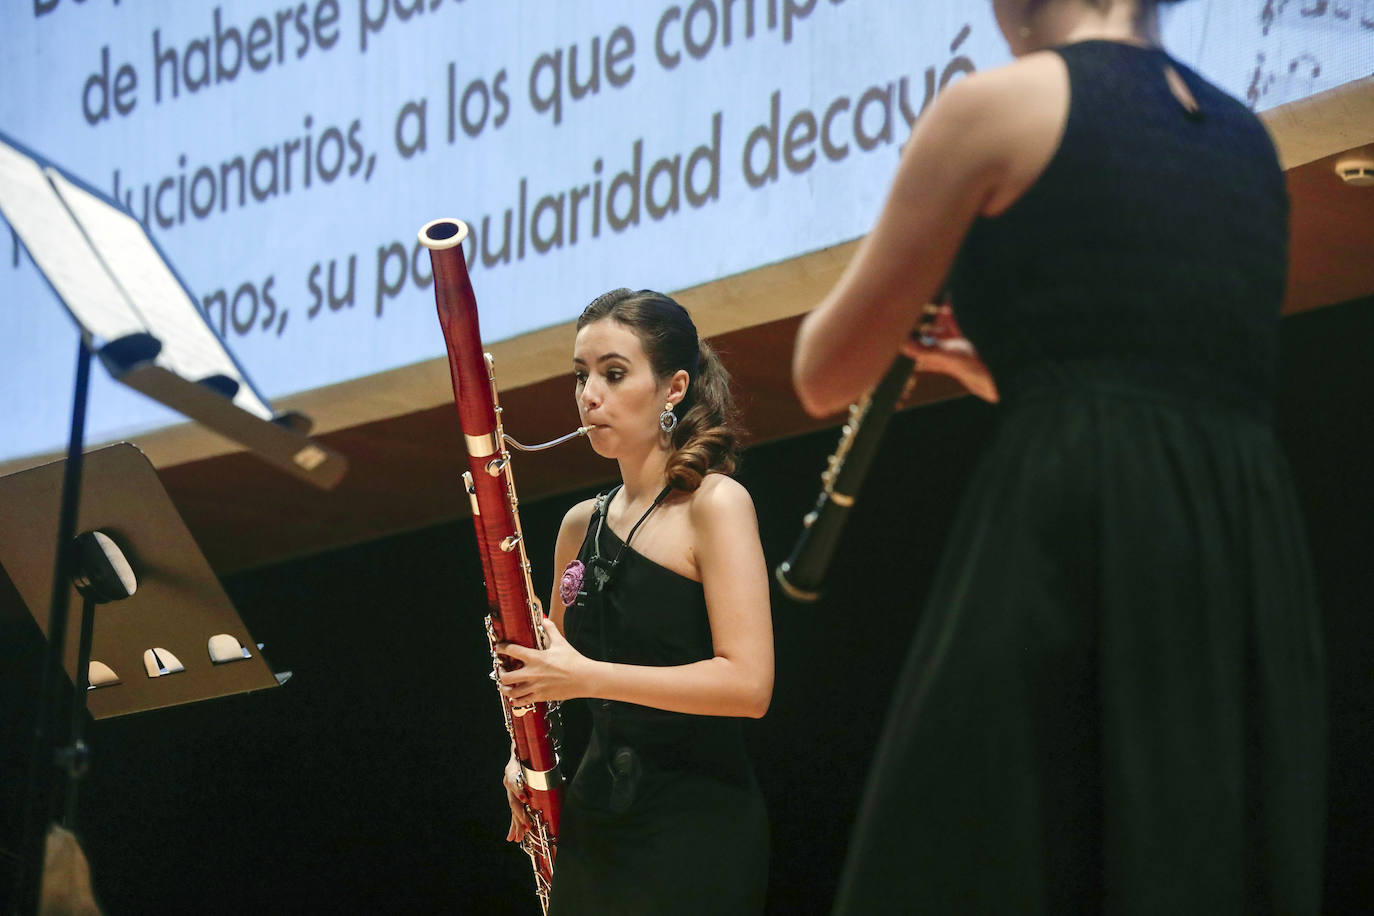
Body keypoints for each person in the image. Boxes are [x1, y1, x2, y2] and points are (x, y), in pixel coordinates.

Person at [792, 1, 1326, 913]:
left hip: (1072, 525)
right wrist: (1011, 367)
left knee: (999, 854)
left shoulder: (990, 108)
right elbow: (1158, 380)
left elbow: (821, 372)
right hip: (1240, 544)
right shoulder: (1247, 140)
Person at [495, 288, 774, 915]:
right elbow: (551, 679)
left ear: (673, 388)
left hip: (696, 823)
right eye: (581, 376)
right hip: (596, 825)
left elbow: (749, 686)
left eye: (613, 374)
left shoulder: (716, 505)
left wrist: (588, 678)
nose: (589, 395)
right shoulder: (577, 525)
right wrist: (525, 758)